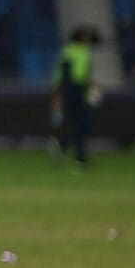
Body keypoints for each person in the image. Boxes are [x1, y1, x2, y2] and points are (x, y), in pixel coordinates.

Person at [51, 26, 99, 166]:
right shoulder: (70, 51)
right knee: (82, 123)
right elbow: (66, 74)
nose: (88, 40)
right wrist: (62, 92)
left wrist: (90, 85)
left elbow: (84, 73)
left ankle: (67, 148)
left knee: (81, 123)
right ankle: (76, 153)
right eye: (85, 37)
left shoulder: (82, 51)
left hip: (78, 89)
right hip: (71, 89)